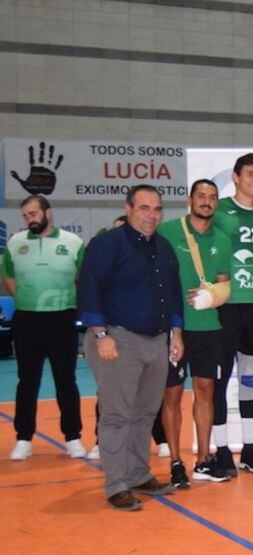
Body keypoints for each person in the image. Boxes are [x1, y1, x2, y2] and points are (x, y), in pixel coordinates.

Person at [78, 185, 182, 511]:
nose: (152, 215)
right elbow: (89, 287)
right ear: (128, 208)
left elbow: (173, 294)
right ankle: (116, 484)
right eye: (144, 208)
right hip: (117, 340)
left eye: (157, 209)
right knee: (117, 416)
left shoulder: (163, 247)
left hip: (156, 341)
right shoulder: (107, 244)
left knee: (145, 414)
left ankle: (138, 474)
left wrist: (176, 333)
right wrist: (99, 334)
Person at [156, 179, 233, 486]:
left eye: (212, 197)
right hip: (174, 328)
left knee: (206, 391)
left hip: (208, 328)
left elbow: (225, 284)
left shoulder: (223, 240)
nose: (207, 201)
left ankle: (203, 460)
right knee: (172, 394)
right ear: (190, 200)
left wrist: (212, 296)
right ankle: (176, 462)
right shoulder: (168, 232)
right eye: (201, 196)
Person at [3, 195, 85, 460]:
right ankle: (24, 438)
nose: (30, 219)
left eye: (34, 213)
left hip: (62, 319)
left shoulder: (72, 243)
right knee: (27, 381)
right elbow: (8, 275)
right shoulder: (16, 243)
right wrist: (24, 299)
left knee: (66, 381)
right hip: (27, 320)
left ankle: (73, 437)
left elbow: (83, 278)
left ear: (48, 213)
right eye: (26, 215)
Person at [211, 153, 253, 475]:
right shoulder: (219, 210)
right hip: (228, 307)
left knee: (250, 378)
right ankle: (221, 450)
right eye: (250, 175)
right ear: (235, 177)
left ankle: (249, 449)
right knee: (220, 381)